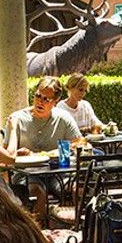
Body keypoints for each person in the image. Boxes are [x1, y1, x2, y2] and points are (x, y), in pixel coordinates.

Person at [6, 76, 81, 217]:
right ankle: (40, 233)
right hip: (27, 174)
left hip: (58, 172)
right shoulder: (18, 118)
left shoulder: (63, 118)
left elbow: (79, 143)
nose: (40, 101)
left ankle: (80, 230)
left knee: (78, 188)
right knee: (37, 192)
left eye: (46, 99)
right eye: (38, 96)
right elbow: (6, 153)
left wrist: (50, 153)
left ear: (56, 101)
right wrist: (17, 153)